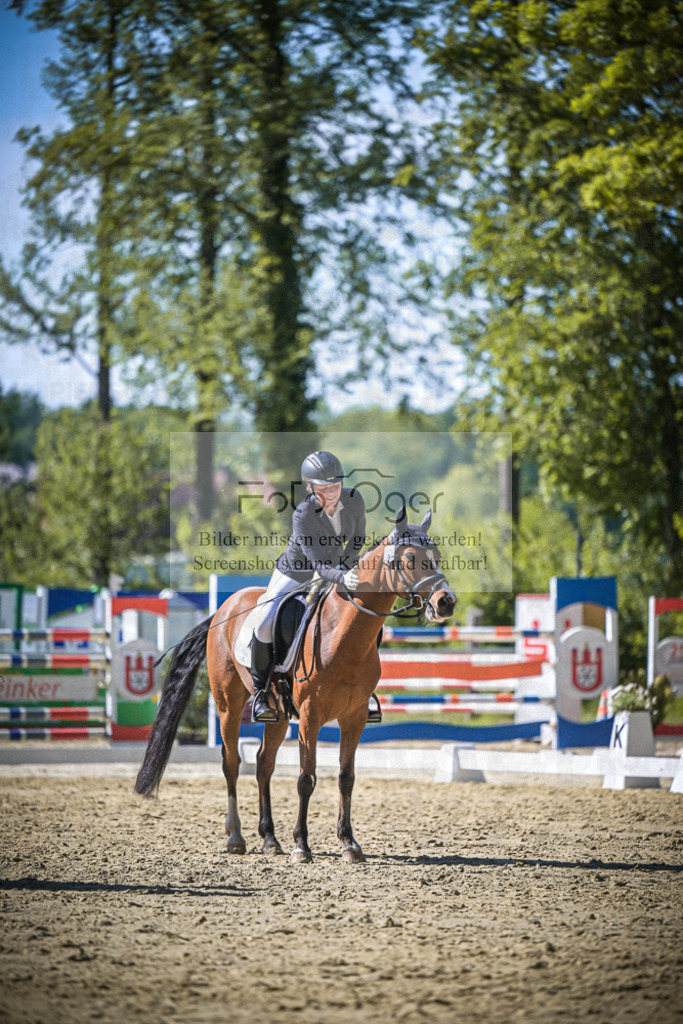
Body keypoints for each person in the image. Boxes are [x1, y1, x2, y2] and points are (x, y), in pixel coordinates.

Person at [249, 450, 366, 722]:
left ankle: (364, 689)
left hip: (337, 569)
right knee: (265, 618)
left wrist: (346, 568)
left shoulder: (355, 500)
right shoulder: (303, 514)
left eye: (336, 485)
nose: (333, 492)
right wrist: (340, 576)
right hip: (296, 572)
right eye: (325, 488)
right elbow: (315, 564)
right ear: (311, 487)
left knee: (363, 612)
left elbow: (357, 541)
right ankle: (261, 692)